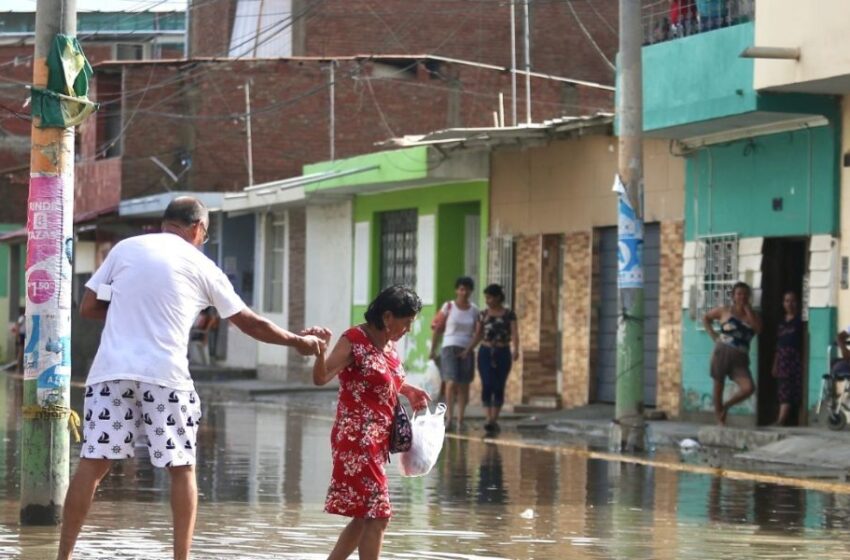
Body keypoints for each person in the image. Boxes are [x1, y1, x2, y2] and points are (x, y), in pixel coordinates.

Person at [57, 196, 328, 560]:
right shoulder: (203, 266)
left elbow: (88, 306)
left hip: (110, 374)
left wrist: (132, 309)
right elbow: (249, 322)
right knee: (182, 468)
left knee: (92, 465)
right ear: (198, 228)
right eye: (205, 233)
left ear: (165, 221)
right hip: (165, 377)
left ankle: (62, 557)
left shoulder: (125, 248)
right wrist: (298, 341)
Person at [313, 285, 430, 560]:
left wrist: (408, 389)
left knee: (365, 516)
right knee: (378, 516)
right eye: (407, 322)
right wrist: (320, 351)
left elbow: (384, 380)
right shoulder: (355, 339)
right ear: (388, 316)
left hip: (378, 442)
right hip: (356, 439)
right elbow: (321, 377)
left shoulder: (389, 346)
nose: (408, 330)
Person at [462, 284, 519, 434]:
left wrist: (516, 349)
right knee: (487, 383)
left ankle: (494, 419)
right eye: (486, 297)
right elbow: (478, 334)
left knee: (499, 385)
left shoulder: (509, 314)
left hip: (503, 351)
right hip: (485, 352)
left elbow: (514, 333)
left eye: (490, 297)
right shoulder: (483, 314)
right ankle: (488, 418)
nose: (487, 300)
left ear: (498, 297)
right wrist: (468, 349)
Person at [703, 282, 762, 426]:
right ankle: (720, 419)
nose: (742, 297)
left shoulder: (753, 315)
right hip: (722, 351)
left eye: (745, 294)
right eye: (739, 294)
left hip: (741, 357)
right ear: (733, 296)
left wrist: (748, 311)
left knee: (748, 388)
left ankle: (726, 406)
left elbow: (759, 330)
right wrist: (713, 334)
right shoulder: (725, 311)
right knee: (718, 385)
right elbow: (706, 318)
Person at [429, 276, 478, 429]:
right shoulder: (448, 306)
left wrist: (469, 349)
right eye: (461, 289)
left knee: (464, 385)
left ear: (471, 291)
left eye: (467, 289)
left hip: (467, 349)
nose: (464, 292)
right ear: (457, 290)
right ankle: (449, 418)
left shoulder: (474, 310)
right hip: (449, 347)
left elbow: (478, 332)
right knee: (451, 382)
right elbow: (437, 328)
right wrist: (432, 349)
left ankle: (460, 419)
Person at [771, 291, 804, 426]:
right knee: (783, 387)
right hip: (783, 359)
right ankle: (781, 420)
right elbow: (779, 345)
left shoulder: (800, 321)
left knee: (794, 388)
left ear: (797, 302)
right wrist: (775, 364)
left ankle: (788, 419)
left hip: (795, 358)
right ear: (783, 303)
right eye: (786, 301)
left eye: (792, 300)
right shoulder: (781, 323)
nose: (790, 304)